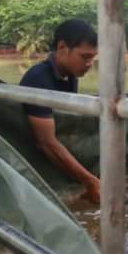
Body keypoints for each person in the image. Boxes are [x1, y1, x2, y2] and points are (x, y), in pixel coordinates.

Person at [20, 19, 100, 203]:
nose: (89, 64)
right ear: (62, 47)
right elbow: (46, 143)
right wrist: (90, 181)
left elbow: (66, 121)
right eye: (85, 57)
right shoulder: (38, 79)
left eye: (92, 58)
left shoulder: (70, 75)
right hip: (33, 162)